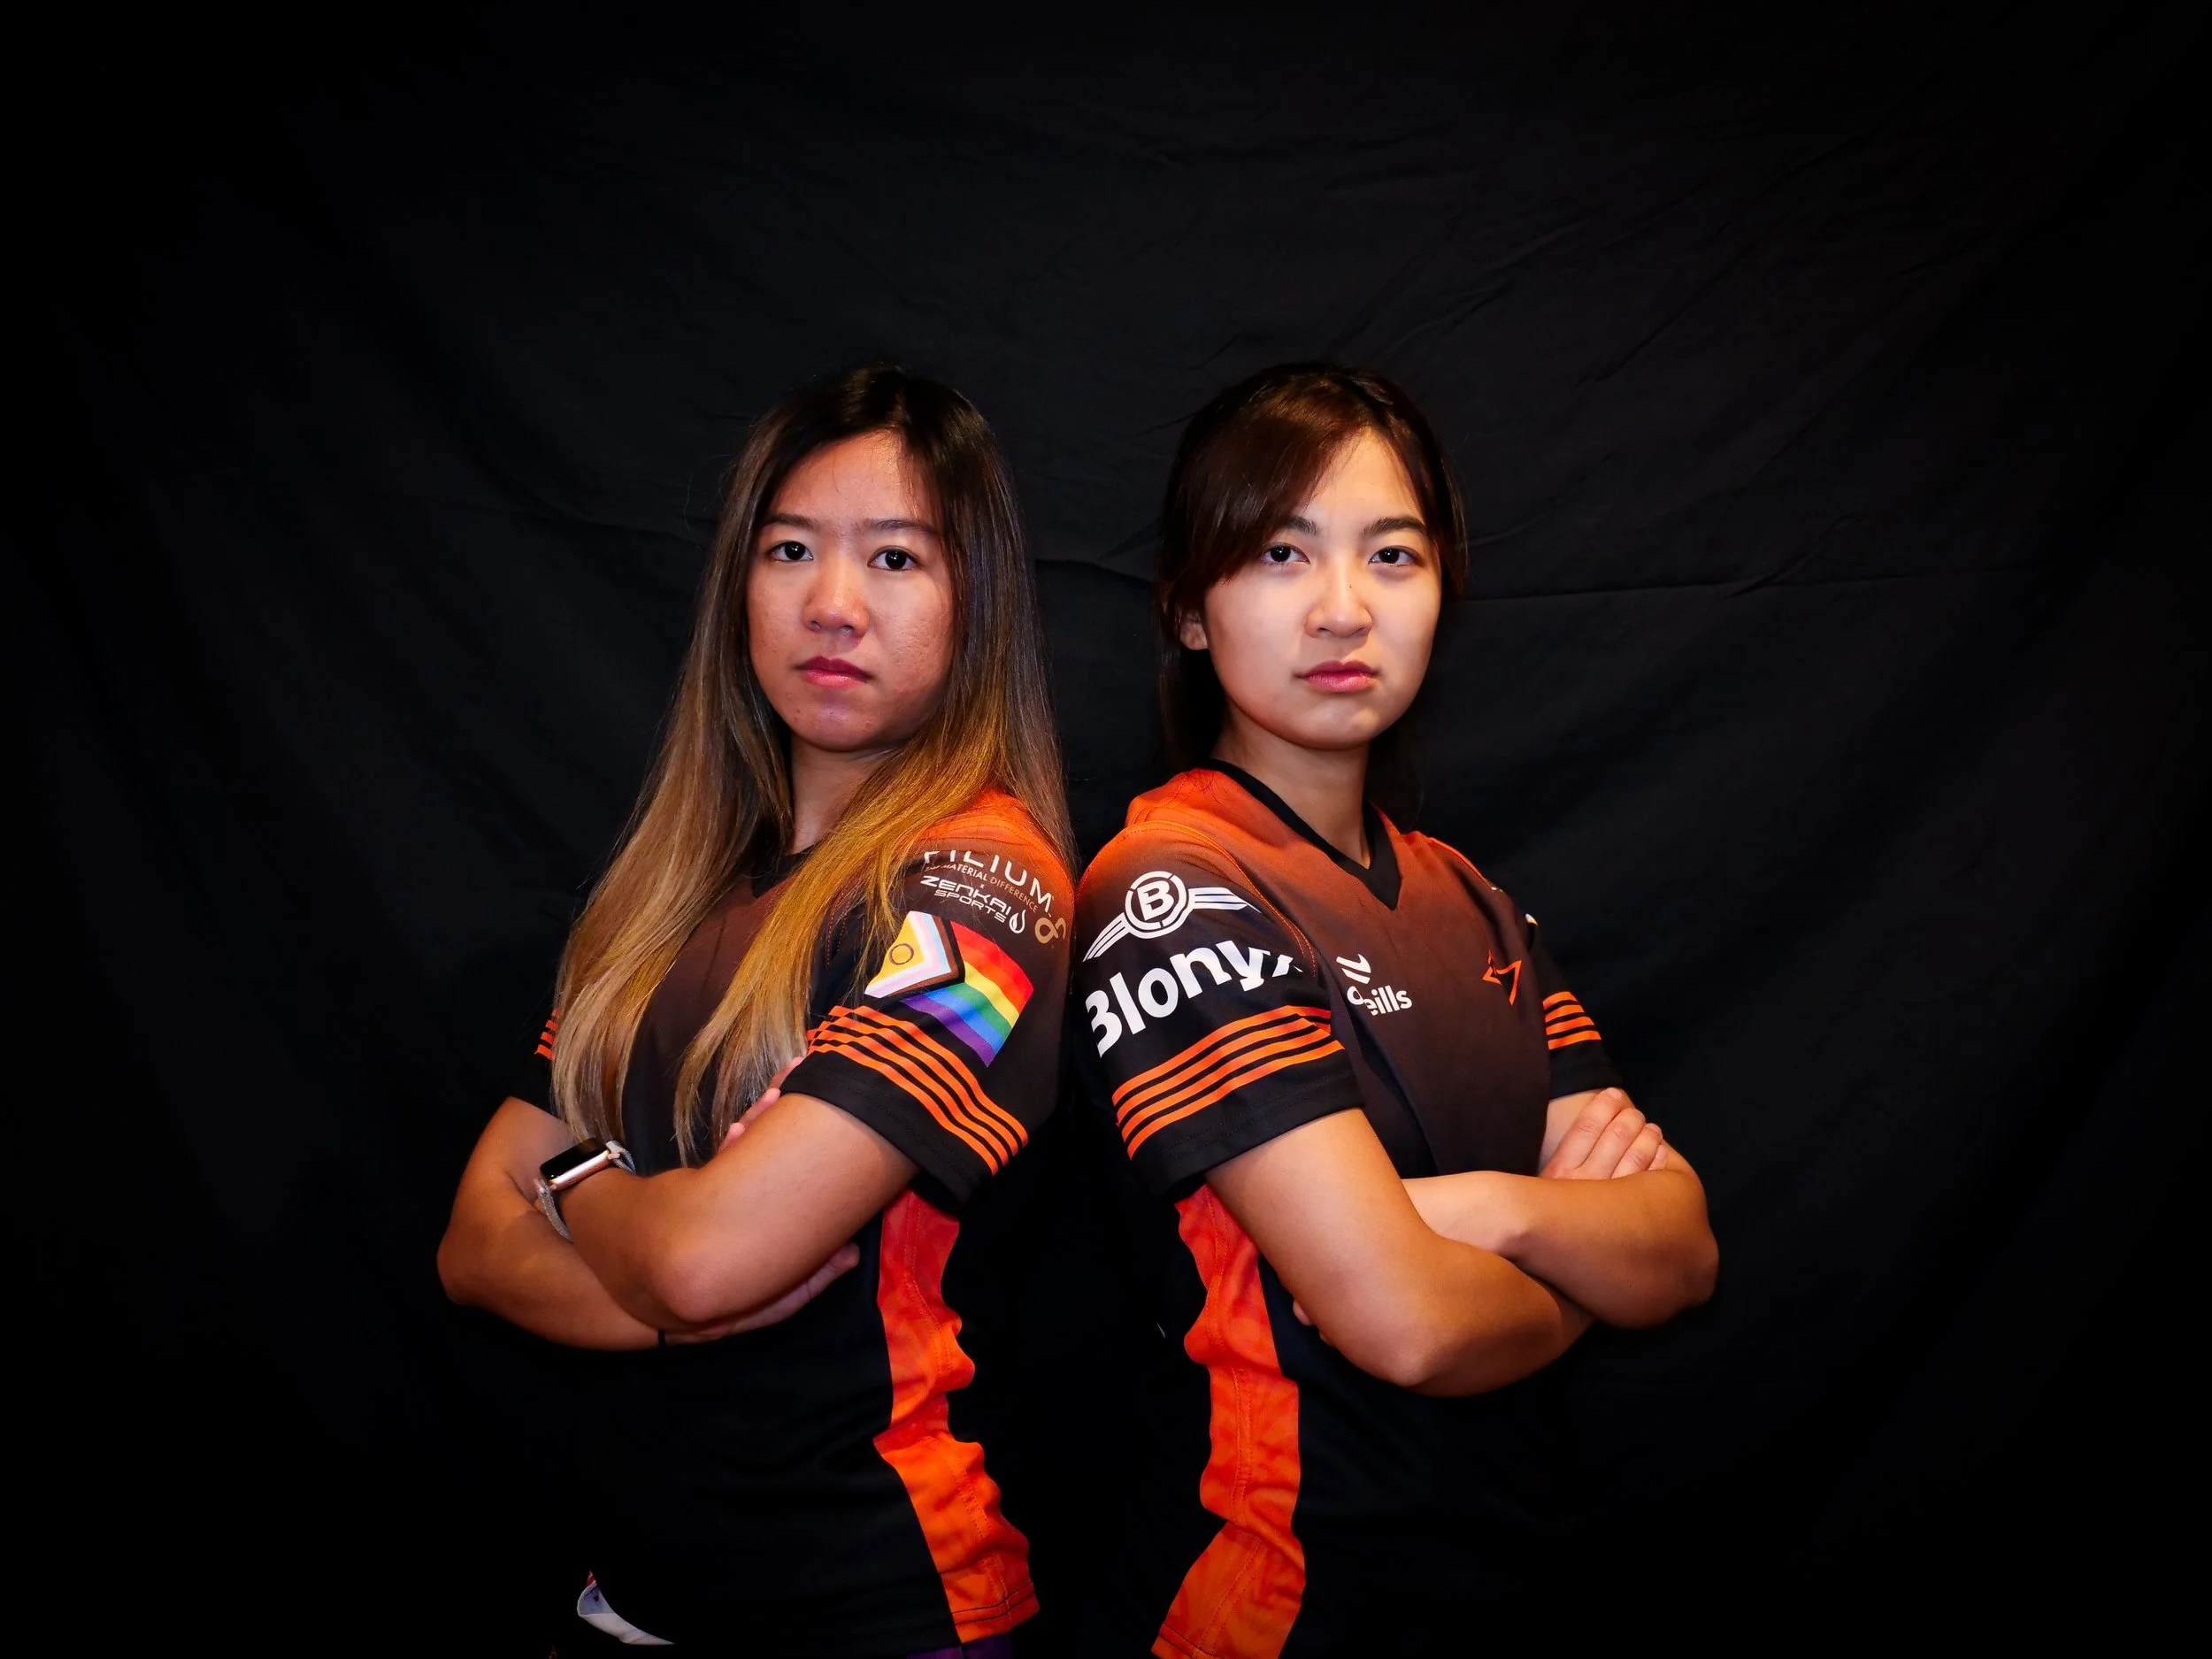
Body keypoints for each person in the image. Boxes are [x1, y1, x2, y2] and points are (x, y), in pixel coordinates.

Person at [1069, 364, 1718, 1655]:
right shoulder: (1171, 885)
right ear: (1188, 609)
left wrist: (1486, 1210)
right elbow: (1406, 1326)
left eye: (1395, 554)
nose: (1343, 608)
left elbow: (1686, 1247)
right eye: (1279, 553)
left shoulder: (1472, 900)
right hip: (1280, 1593)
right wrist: (1573, 1261)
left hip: (1517, 1574)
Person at [436, 365, 1076, 1657]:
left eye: (896, 557)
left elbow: (700, 1256)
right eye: (791, 549)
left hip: (882, 1605)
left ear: (975, 601)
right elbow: (469, 1246)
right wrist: (667, 1267)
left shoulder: (987, 891)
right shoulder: (669, 890)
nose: (833, 604)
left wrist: (574, 1184)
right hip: (633, 1601)